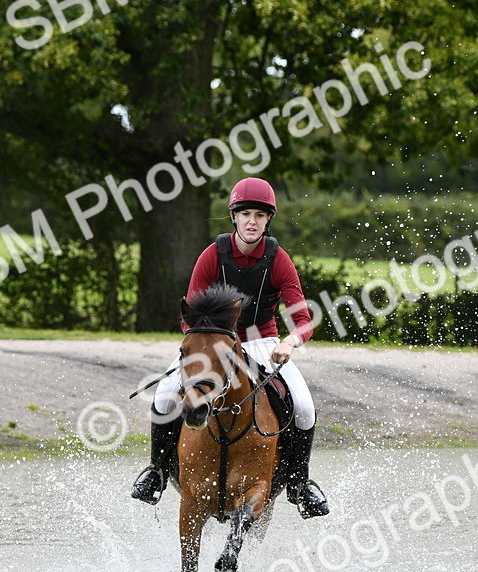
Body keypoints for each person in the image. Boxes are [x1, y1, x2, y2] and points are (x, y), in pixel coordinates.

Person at [131, 177, 330, 518]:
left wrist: (290, 341)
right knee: (165, 394)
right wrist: (204, 343)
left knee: (305, 407)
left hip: (261, 344)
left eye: (260, 215)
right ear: (234, 217)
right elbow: (190, 313)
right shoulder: (212, 255)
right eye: (245, 214)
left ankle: (300, 482)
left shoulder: (278, 259)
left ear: (269, 220)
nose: (252, 221)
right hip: (213, 345)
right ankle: (157, 471)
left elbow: (302, 318)